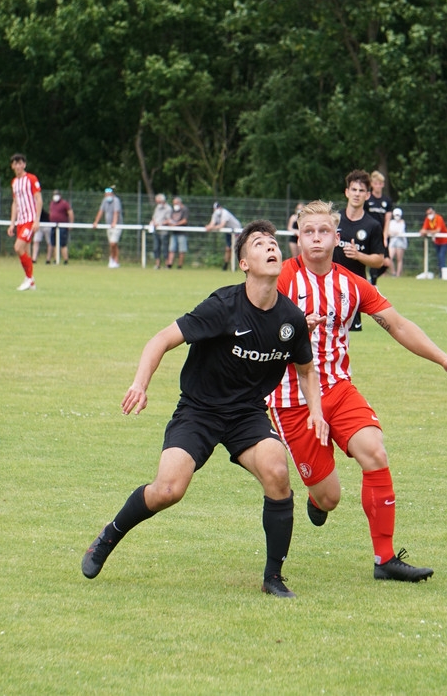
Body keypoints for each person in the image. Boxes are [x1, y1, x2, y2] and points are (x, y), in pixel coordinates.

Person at [81, 220, 328, 598]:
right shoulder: (223, 306)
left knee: (278, 472)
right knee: (168, 489)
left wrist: (316, 411)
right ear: (244, 263)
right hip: (199, 410)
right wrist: (140, 384)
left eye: (273, 243)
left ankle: (273, 578)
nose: (270, 247)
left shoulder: (291, 319)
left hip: (246, 414)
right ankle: (109, 535)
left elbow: (307, 370)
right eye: (259, 244)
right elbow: (161, 339)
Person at [268, 200, 447, 582]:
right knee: (330, 497)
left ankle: (385, 560)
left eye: (324, 231)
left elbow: (398, 324)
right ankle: (318, 498)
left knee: (375, 451)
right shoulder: (280, 279)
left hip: (338, 389)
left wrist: (443, 359)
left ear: (336, 237)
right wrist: (293, 328)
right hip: (292, 399)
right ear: (298, 237)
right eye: (308, 232)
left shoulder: (351, 284)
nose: (316, 239)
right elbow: (254, 327)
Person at [332, 170, 385, 331]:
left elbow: (379, 260)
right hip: (328, 285)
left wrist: (358, 255)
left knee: (347, 336)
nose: (357, 194)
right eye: (353, 189)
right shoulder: (333, 220)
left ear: (367, 195)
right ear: (347, 192)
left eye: (361, 190)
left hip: (353, 290)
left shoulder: (372, 225)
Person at [8, 153, 42, 288]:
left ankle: (29, 278)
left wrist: (37, 220)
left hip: (29, 220)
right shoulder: (14, 182)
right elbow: (15, 203)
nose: (18, 166)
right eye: (15, 164)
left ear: (24, 165)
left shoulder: (31, 179)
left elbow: (38, 199)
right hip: (20, 221)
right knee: (25, 252)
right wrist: (12, 223)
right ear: (12, 166)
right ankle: (31, 281)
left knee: (18, 247)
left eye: (20, 163)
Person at [365, 170, 394, 284]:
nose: (378, 186)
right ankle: (373, 284)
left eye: (380, 183)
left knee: (386, 262)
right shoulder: (367, 199)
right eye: (376, 183)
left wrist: (385, 236)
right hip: (370, 234)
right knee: (374, 258)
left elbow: (387, 219)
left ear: (383, 184)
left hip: (382, 234)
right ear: (372, 184)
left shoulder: (387, 201)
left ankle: (371, 281)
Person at [205, 201, 243, 271]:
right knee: (228, 249)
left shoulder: (225, 213)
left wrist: (211, 227)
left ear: (220, 207)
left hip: (236, 231)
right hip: (229, 232)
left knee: (235, 249)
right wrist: (208, 227)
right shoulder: (215, 214)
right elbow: (211, 224)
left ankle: (236, 266)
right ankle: (225, 265)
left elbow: (221, 225)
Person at [92, 187, 123, 268]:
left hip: (117, 226)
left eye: (109, 194)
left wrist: (114, 222)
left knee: (113, 243)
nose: (108, 195)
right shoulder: (104, 201)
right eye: (106, 194)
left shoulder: (116, 200)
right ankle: (115, 260)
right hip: (108, 225)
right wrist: (96, 222)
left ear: (112, 194)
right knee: (112, 244)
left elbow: (116, 212)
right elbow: (101, 211)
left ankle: (112, 259)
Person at [420, 206, 447, 275]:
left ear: (434, 212)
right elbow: (423, 229)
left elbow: (438, 230)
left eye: (430, 213)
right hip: (437, 241)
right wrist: (423, 231)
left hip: (444, 240)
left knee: (441, 256)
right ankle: (440, 273)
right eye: (428, 214)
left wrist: (426, 232)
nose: (429, 215)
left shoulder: (439, 218)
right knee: (438, 257)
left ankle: (442, 274)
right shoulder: (427, 219)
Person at [46, 189, 73, 264]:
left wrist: (71, 223)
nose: (55, 196)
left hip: (62, 226)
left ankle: (65, 260)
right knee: (54, 243)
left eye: (57, 194)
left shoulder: (64, 203)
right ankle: (55, 259)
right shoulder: (52, 203)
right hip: (53, 225)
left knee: (63, 243)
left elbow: (70, 213)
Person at [149, 193, 172, 269]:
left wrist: (160, 224)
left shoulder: (168, 208)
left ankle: (167, 264)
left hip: (164, 231)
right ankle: (157, 264)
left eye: (158, 201)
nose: (157, 203)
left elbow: (169, 220)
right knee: (156, 247)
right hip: (156, 230)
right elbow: (154, 217)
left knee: (164, 248)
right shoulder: (157, 208)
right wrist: (153, 222)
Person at [165, 196, 189, 268]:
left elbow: (185, 221)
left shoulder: (185, 209)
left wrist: (176, 224)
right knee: (171, 249)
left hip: (182, 233)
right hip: (174, 232)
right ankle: (169, 265)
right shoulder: (174, 210)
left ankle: (179, 266)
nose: (174, 205)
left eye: (175, 203)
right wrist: (169, 223)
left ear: (180, 202)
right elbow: (171, 219)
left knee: (181, 250)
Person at [387, 207, 407, 276]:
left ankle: (398, 274)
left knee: (399, 259)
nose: (397, 216)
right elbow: (389, 232)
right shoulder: (391, 222)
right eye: (396, 215)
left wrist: (393, 232)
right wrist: (394, 232)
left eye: (398, 215)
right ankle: (393, 272)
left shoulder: (402, 222)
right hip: (392, 241)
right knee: (390, 257)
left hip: (400, 241)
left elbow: (400, 232)